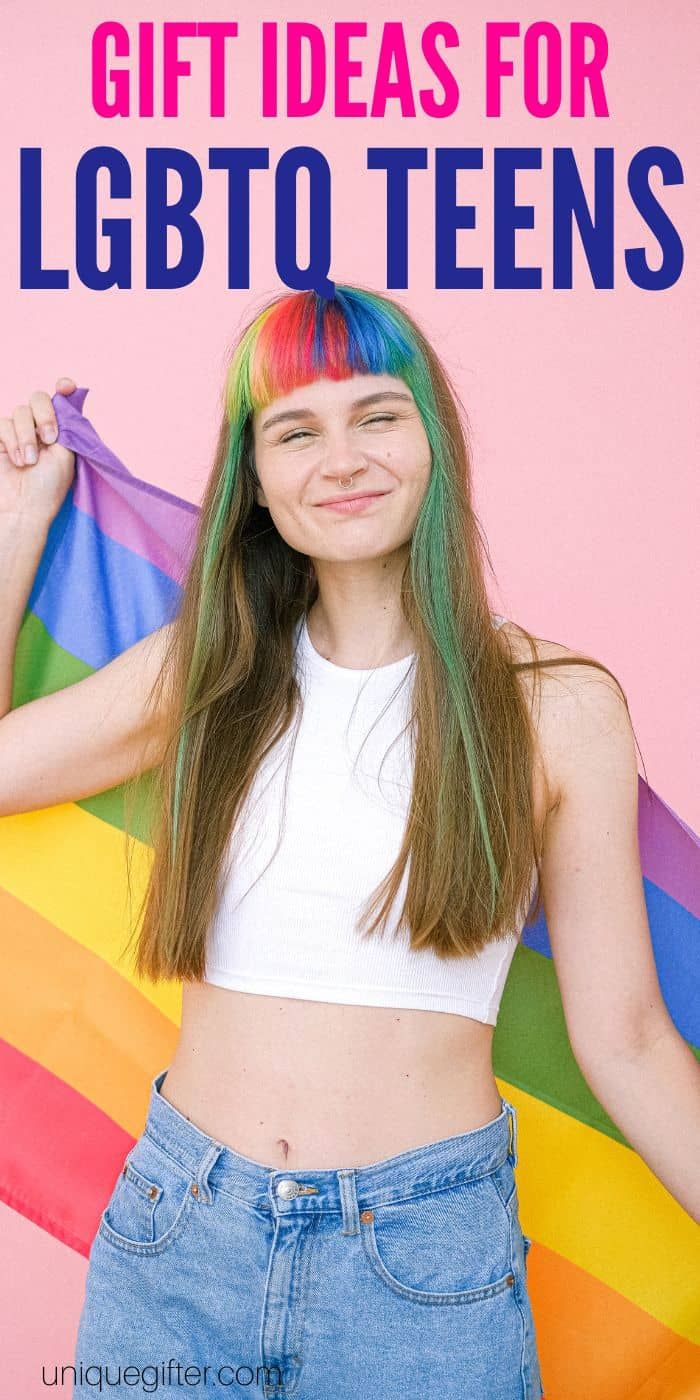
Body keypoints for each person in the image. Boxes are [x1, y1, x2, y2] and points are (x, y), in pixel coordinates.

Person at [1, 285, 698, 1400]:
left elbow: (625, 1038)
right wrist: (21, 518)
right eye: (295, 429)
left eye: (377, 413)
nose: (342, 457)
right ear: (257, 480)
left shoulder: (555, 707)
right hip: (180, 1244)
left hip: (424, 1272)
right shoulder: (207, 671)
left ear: (434, 435)